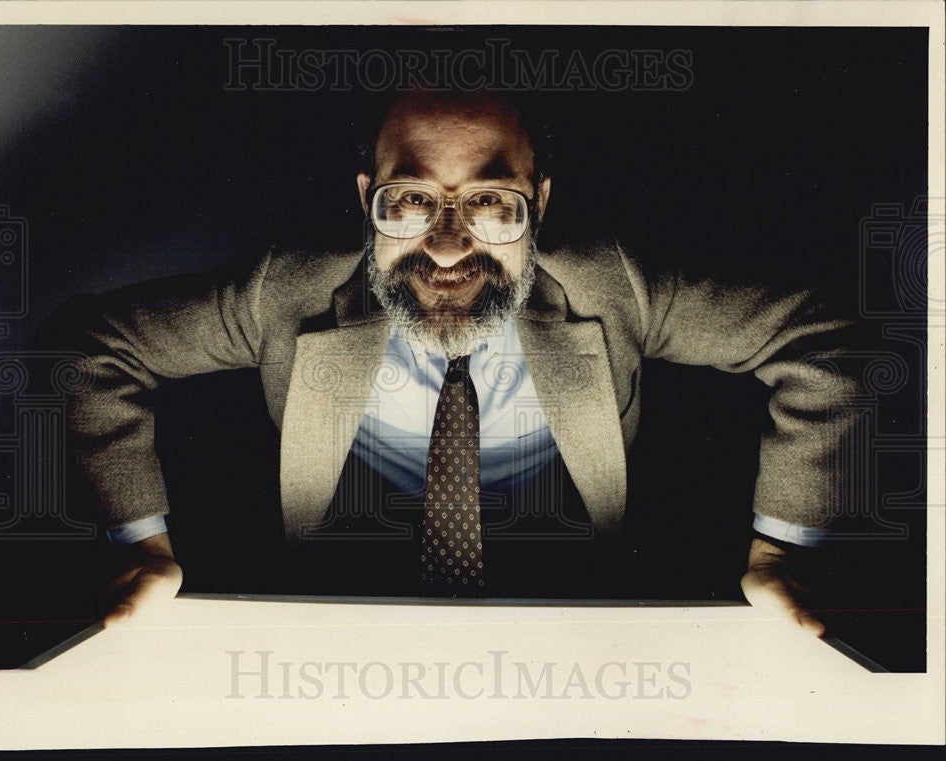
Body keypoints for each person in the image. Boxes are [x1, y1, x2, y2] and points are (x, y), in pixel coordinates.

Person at [43, 88, 859, 633]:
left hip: (577, 638)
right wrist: (142, 546)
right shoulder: (286, 289)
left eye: (490, 201)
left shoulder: (612, 283)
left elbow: (819, 340)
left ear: (538, 205)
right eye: (411, 198)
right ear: (369, 199)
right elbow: (93, 347)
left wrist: (781, 549)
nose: (445, 242)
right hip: (334, 642)